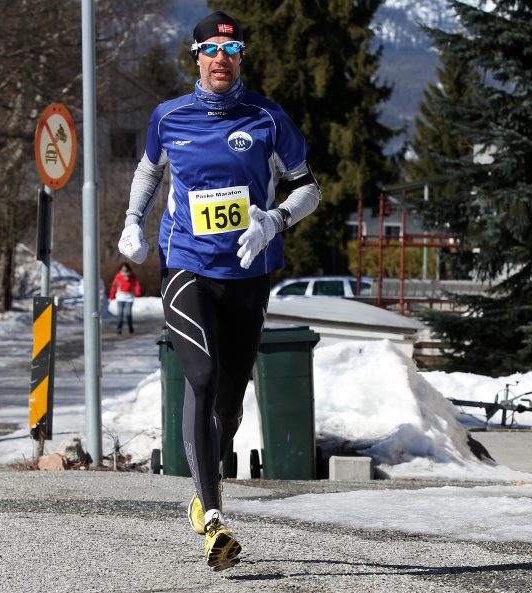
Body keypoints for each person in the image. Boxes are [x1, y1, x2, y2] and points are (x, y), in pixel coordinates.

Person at [118, 11, 320, 571]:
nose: (221, 60)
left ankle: (204, 493)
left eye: (232, 52)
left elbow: (310, 189)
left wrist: (274, 220)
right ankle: (213, 519)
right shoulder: (169, 116)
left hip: (249, 274)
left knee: (228, 404)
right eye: (211, 50)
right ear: (197, 57)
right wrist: (134, 221)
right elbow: (148, 169)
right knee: (200, 378)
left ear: (241, 59)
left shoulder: (268, 119)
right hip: (186, 267)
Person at [109, 262, 141, 334]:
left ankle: (130, 328)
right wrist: (111, 295)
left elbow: (136, 284)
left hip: (129, 297)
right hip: (120, 297)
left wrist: (137, 292)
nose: (124, 270)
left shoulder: (132, 276)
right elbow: (114, 286)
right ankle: (118, 329)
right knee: (120, 314)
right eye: (123, 269)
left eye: (125, 269)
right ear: (121, 269)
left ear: (128, 269)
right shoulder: (118, 276)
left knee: (128, 314)